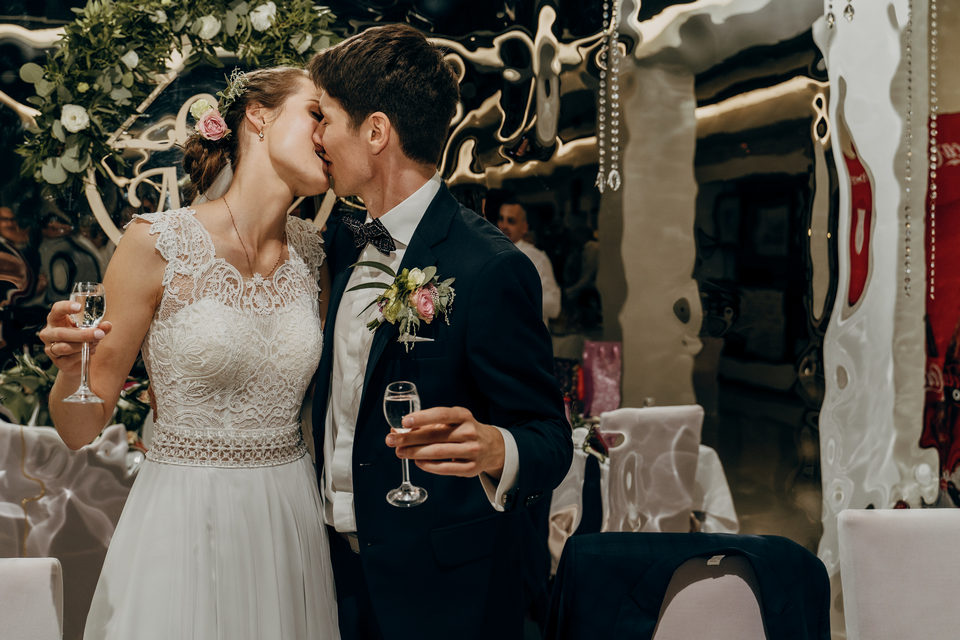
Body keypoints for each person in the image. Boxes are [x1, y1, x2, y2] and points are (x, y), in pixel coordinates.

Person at [38, 67, 340, 639]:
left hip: (286, 519)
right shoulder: (156, 242)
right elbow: (79, 429)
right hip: (184, 520)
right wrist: (71, 370)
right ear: (259, 115)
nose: (328, 134)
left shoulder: (315, 255)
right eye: (315, 115)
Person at [308, 24, 572, 640]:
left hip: (444, 591)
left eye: (326, 119)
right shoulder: (341, 248)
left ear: (376, 132)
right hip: (337, 576)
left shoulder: (490, 267)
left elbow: (549, 436)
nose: (317, 136)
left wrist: (496, 447)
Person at [497, 197, 561, 324]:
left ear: (524, 227)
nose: (504, 226)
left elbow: (554, 306)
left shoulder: (536, 257)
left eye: (511, 221)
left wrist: (514, 301)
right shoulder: (493, 254)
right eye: (501, 219)